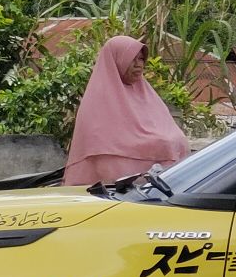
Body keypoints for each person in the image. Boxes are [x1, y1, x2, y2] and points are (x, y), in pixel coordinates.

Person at [63, 36, 189, 187]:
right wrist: (160, 146)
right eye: (132, 59)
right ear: (116, 60)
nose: (139, 65)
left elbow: (171, 135)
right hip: (116, 194)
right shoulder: (98, 101)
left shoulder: (146, 94)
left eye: (141, 59)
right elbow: (106, 154)